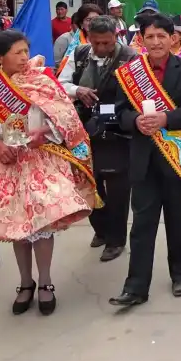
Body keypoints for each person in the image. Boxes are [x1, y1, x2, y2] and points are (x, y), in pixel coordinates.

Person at [0, 30, 99, 315]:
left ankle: (46, 283)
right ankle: (25, 283)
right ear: (0, 58)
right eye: (18, 53)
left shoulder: (42, 81)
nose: (25, 57)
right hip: (6, 161)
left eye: (26, 51)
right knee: (18, 229)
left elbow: (65, 117)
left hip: (40, 159)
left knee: (41, 226)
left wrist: (46, 132)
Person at [108, 14, 181, 307]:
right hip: (143, 157)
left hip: (177, 156)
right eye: (149, 37)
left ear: (173, 39)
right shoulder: (130, 72)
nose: (155, 42)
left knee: (178, 220)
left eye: (161, 36)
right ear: (141, 39)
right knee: (142, 224)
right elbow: (120, 113)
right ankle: (136, 287)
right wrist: (135, 121)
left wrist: (167, 118)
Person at [58, 15, 137, 262]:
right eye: (97, 43)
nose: (101, 48)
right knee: (88, 182)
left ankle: (116, 239)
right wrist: (77, 90)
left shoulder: (130, 57)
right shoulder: (79, 54)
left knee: (117, 188)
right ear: (88, 38)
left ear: (116, 36)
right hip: (84, 129)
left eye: (107, 43)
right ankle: (101, 230)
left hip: (117, 130)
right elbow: (61, 84)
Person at [54, 3, 103, 75]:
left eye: (97, 19)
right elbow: (65, 78)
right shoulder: (75, 48)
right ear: (81, 24)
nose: (93, 22)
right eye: (88, 19)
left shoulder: (111, 40)